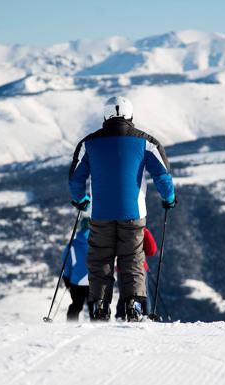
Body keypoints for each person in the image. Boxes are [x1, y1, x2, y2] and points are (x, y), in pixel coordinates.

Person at [68, 96, 176, 322]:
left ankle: (99, 305)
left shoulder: (88, 143)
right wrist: (169, 198)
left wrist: (81, 200)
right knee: (133, 257)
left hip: (100, 213)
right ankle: (134, 305)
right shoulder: (147, 143)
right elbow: (163, 176)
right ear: (130, 115)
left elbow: (76, 178)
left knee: (100, 258)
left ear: (106, 116)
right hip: (133, 214)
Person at [115, 227, 158, 320]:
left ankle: (120, 317)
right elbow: (152, 251)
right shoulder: (143, 230)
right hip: (140, 266)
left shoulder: (117, 229)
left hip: (122, 267)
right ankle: (146, 316)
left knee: (123, 294)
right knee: (143, 293)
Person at [61, 217, 90, 321]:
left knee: (76, 305)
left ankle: (70, 327)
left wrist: (66, 278)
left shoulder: (73, 244)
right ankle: (98, 330)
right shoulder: (98, 242)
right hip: (94, 280)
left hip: (76, 281)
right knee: (94, 307)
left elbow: (66, 263)